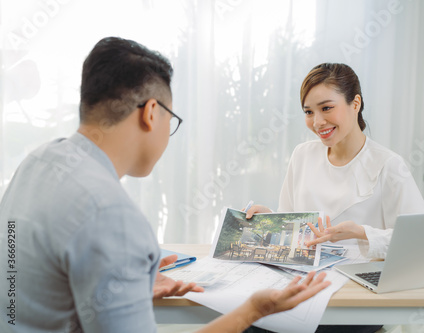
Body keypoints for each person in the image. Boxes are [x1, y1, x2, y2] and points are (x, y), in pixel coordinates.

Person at [0, 37, 330, 333]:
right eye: (171, 121)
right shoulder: (112, 215)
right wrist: (253, 311)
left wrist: (122, 282)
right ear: (151, 113)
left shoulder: (38, 161)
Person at [245, 63, 424, 333]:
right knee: (249, 320)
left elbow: (420, 244)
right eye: (309, 112)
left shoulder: (389, 165)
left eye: (326, 108)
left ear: (356, 103)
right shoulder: (303, 155)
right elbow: (293, 226)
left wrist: (363, 234)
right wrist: (269, 220)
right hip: (302, 286)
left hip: (355, 298)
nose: (317, 122)